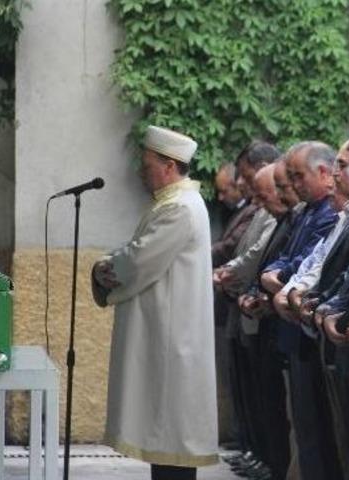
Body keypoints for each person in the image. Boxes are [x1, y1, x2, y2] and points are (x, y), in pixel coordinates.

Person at [91, 126, 217, 480]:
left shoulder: (179, 209)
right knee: (167, 439)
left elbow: (137, 261)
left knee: (171, 439)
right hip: (170, 336)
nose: (142, 173)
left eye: (147, 166)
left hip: (173, 341)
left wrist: (103, 268)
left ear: (169, 165)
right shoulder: (177, 204)